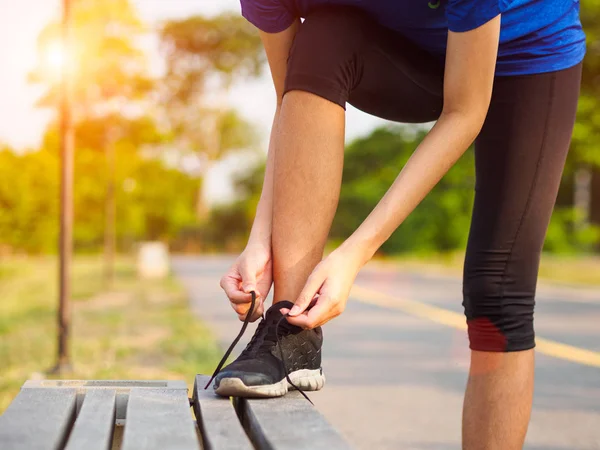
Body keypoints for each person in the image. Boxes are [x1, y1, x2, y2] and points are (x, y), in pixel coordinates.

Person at [214, 0, 586, 448]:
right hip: (407, 51)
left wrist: (355, 252)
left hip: (526, 54)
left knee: (498, 293)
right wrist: (261, 239)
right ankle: (291, 334)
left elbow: (464, 110)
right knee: (322, 40)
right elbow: (289, 102)